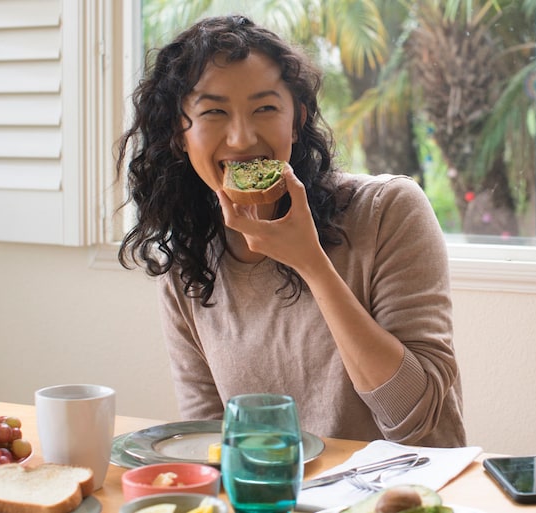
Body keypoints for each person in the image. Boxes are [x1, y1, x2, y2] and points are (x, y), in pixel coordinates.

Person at [116, 14, 466, 447]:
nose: (243, 139)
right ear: (178, 134)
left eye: (265, 108)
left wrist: (312, 263)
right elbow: (211, 440)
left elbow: (415, 419)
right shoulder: (188, 262)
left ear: (297, 119)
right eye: (214, 112)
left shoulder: (388, 210)